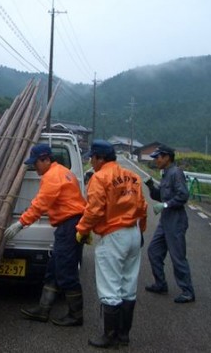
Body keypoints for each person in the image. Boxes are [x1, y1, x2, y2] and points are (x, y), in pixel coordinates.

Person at [4, 143, 87, 326]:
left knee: (66, 271)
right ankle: (43, 309)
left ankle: (76, 315)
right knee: (53, 269)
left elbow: (41, 204)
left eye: (36, 162)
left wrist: (20, 223)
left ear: (46, 159)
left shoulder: (52, 176)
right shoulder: (64, 171)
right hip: (70, 224)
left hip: (69, 225)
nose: (34, 166)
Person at [76, 139, 147, 348]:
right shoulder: (133, 177)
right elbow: (142, 207)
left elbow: (94, 210)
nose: (91, 161)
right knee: (128, 285)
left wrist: (82, 230)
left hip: (113, 235)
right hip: (133, 232)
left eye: (92, 157)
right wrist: (141, 230)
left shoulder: (99, 178)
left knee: (109, 286)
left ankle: (109, 336)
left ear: (100, 158)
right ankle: (124, 335)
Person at [144, 144, 195, 304]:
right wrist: (152, 187)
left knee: (177, 257)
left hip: (176, 220)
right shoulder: (165, 174)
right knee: (153, 251)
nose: (156, 160)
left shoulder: (175, 173)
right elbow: (161, 196)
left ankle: (187, 292)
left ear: (167, 157)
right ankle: (161, 284)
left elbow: (183, 196)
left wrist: (165, 205)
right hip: (166, 220)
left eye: (158, 157)